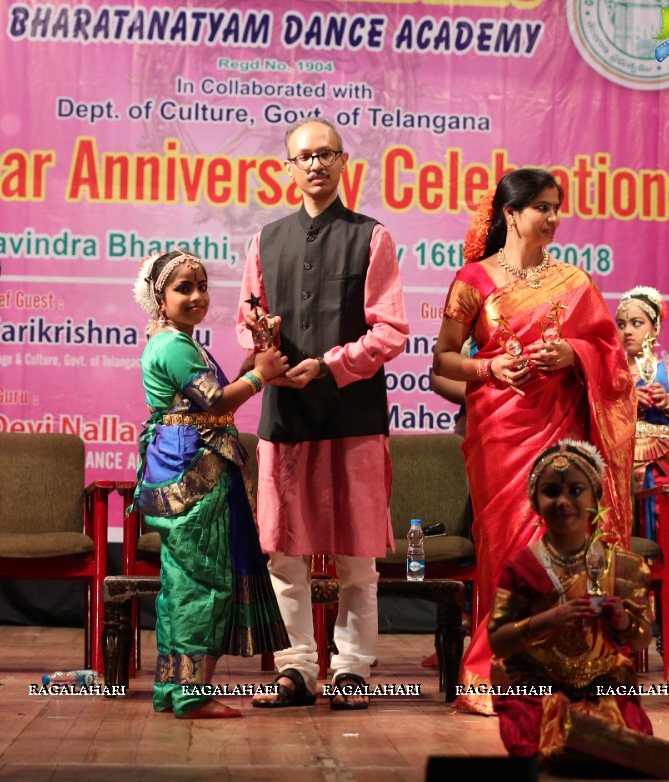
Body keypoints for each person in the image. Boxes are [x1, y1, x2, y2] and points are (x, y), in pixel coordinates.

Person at [432, 168, 635, 714]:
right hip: (498, 431)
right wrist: (492, 367)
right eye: (542, 207)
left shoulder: (575, 282)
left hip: (559, 430)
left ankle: (559, 661)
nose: (553, 218)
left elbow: (612, 362)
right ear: (510, 214)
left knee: (559, 538)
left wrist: (576, 355)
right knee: (506, 547)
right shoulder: (473, 280)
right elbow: (442, 363)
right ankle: (502, 664)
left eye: (557, 206)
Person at [237, 117, 408, 710]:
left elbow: (391, 331)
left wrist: (330, 365)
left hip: (352, 414)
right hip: (285, 414)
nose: (315, 164)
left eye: (326, 154)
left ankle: (354, 668)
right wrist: (264, 351)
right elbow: (246, 318)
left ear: (342, 163)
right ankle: (296, 669)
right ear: (287, 168)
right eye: (304, 156)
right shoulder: (265, 239)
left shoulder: (372, 237)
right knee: (285, 553)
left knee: (356, 555)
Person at [132, 249, 291, 719]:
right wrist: (263, 375)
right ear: (159, 298)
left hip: (179, 466)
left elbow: (209, 395)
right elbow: (214, 408)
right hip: (192, 474)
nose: (197, 296)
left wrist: (252, 362)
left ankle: (173, 686)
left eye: (201, 287)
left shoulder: (173, 340)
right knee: (203, 584)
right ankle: (189, 693)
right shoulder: (175, 345)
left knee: (185, 582)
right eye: (184, 288)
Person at [488, 440, 655, 766]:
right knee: (548, 741)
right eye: (551, 491)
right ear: (535, 500)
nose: (563, 501)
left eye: (576, 490)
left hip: (604, 682)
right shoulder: (521, 567)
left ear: (595, 497)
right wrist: (547, 621)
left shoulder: (627, 566)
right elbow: (497, 640)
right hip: (537, 684)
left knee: (624, 736)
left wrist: (622, 623)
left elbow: (642, 639)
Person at [616, 285, 669, 560]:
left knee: (665, 541)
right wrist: (626, 403)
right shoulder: (609, 375)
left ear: (654, 329)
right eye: (621, 324)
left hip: (661, 471)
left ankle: (667, 602)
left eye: (636, 323)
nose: (627, 330)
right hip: (619, 470)